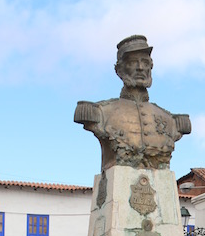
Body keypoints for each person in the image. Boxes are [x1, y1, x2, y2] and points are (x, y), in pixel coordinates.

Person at [74, 34, 191, 171]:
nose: (140, 67)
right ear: (119, 70)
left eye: (145, 63)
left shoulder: (173, 121)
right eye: (133, 62)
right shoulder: (99, 112)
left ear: (150, 68)